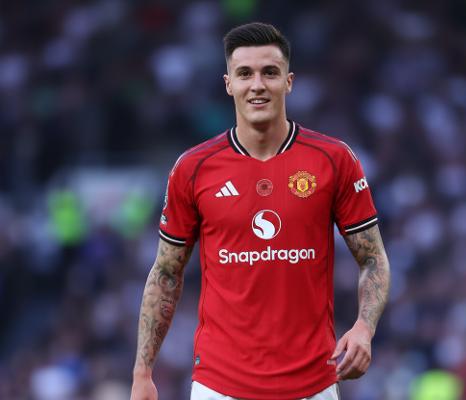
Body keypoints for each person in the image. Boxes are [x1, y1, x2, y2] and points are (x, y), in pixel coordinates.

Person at [131, 22, 390, 400]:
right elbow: (166, 273)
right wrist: (143, 372)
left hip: (312, 382)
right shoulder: (193, 168)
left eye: (269, 72)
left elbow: (373, 259)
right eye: (244, 74)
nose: (257, 85)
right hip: (220, 384)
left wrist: (364, 328)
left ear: (288, 81)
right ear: (228, 84)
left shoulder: (334, 160)